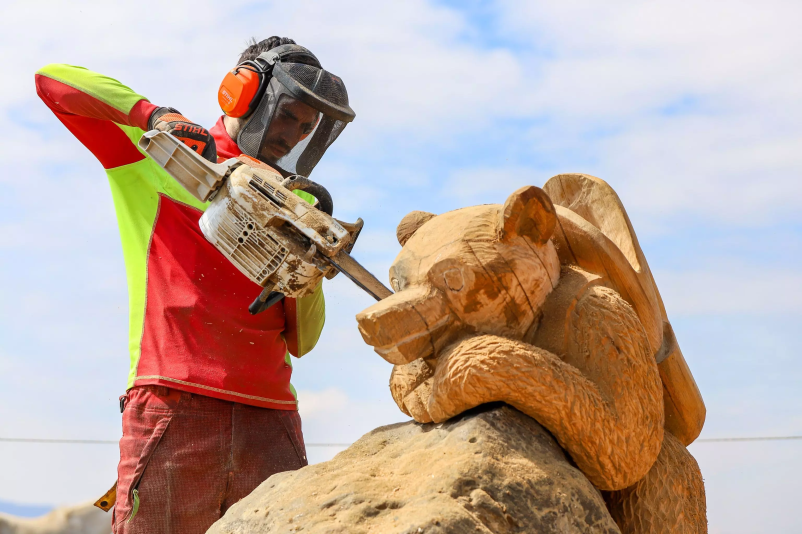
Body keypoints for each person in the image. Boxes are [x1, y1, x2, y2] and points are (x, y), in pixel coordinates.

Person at [35, 36, 355, 533]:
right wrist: (151, 115)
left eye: (307, 128)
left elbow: (304, 341)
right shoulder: (162, 157)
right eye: (289, 115)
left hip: (270, 420)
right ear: (243, 92)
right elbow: (51, 81)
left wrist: (311, 273)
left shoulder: (301, 209)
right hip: (172, 404)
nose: (293, 135)